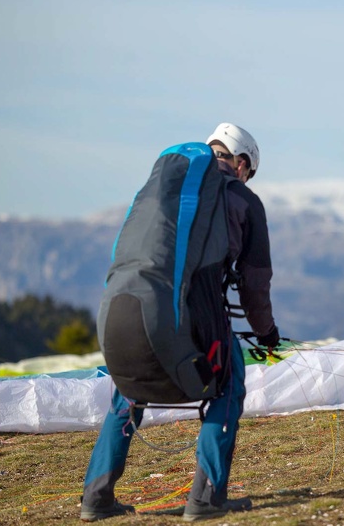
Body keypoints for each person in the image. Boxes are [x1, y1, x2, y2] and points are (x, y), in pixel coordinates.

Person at [80, 123, 280, 522]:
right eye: (248, 169)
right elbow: (255, 285)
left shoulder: (161, 192)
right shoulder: (242, 199)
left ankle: (96, 497)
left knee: (128, 392)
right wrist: (267, 335)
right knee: (227, 384)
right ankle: (205, 499)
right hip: (186, 321)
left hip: (118, 313)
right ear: (241, 162)